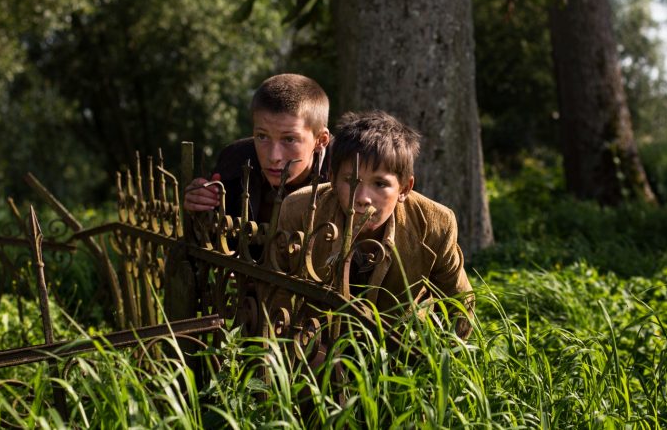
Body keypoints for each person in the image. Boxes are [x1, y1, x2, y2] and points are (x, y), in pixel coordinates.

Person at [275, 110, 473, 333]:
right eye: (351, 181)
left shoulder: (436, 224)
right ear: (331, 178)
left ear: (404, 188)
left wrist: (428, 360)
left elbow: (460, 305)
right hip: (316, 343)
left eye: (379, 184)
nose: (362, 198)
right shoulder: (299, 209)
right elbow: (277, 293)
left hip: (400, 347)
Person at [183, 73, 331, 224]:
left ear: (320, 140)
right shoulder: (235, 161)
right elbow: (213, 238)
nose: (274, 157)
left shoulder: (345, 173)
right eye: (262, 136)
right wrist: (198, 206)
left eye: (289, 139)